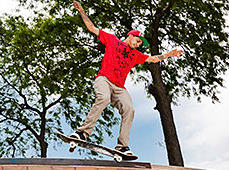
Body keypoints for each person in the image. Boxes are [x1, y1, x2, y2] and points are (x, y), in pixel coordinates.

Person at [71, 1, 183, 159]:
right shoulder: (112, 40)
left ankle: (122, 146)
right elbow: (91, 27)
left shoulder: (135, 55)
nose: (137, 45)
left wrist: (168, 55)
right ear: (130, 35)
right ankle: (82, 133)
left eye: (139, 44)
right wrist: (82, 11)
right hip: (103, 79)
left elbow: (152, 59)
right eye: (136, 40)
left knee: (129, 109)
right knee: (103, 98)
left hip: (119, 87)